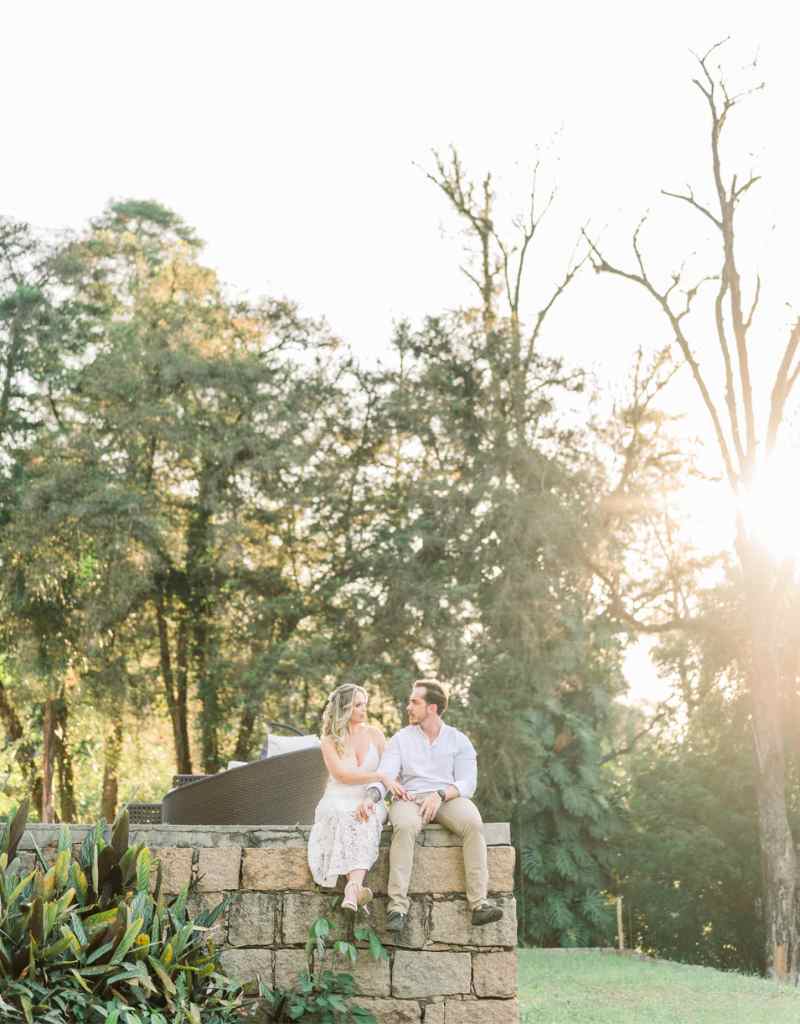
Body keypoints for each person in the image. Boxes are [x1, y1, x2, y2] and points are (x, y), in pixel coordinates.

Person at [357, 678, 503, 932]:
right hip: (409, 799)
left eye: (415, 702)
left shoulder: (459, 740)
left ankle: (479, 905)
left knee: (473, 825)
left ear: (432, 708)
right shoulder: (401, 739)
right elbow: (386, 775)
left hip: (447, 797)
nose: (409, 707)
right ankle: (397, 908)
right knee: (403, 827)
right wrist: (370, 797)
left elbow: (468, 782)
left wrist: (440, 795)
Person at [307, 683, 406, 911]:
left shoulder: (375, 735)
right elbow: (341, 775)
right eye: (357, 705)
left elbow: (391, 770)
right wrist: (379, 775)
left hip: (368, 797)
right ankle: (354, 889)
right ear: (344, 709)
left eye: (364, 704)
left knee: (366, 816)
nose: (364, 709)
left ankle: (352, 889)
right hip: (338, 795)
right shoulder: (329, 741)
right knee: (344, 814)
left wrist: (385, 788)